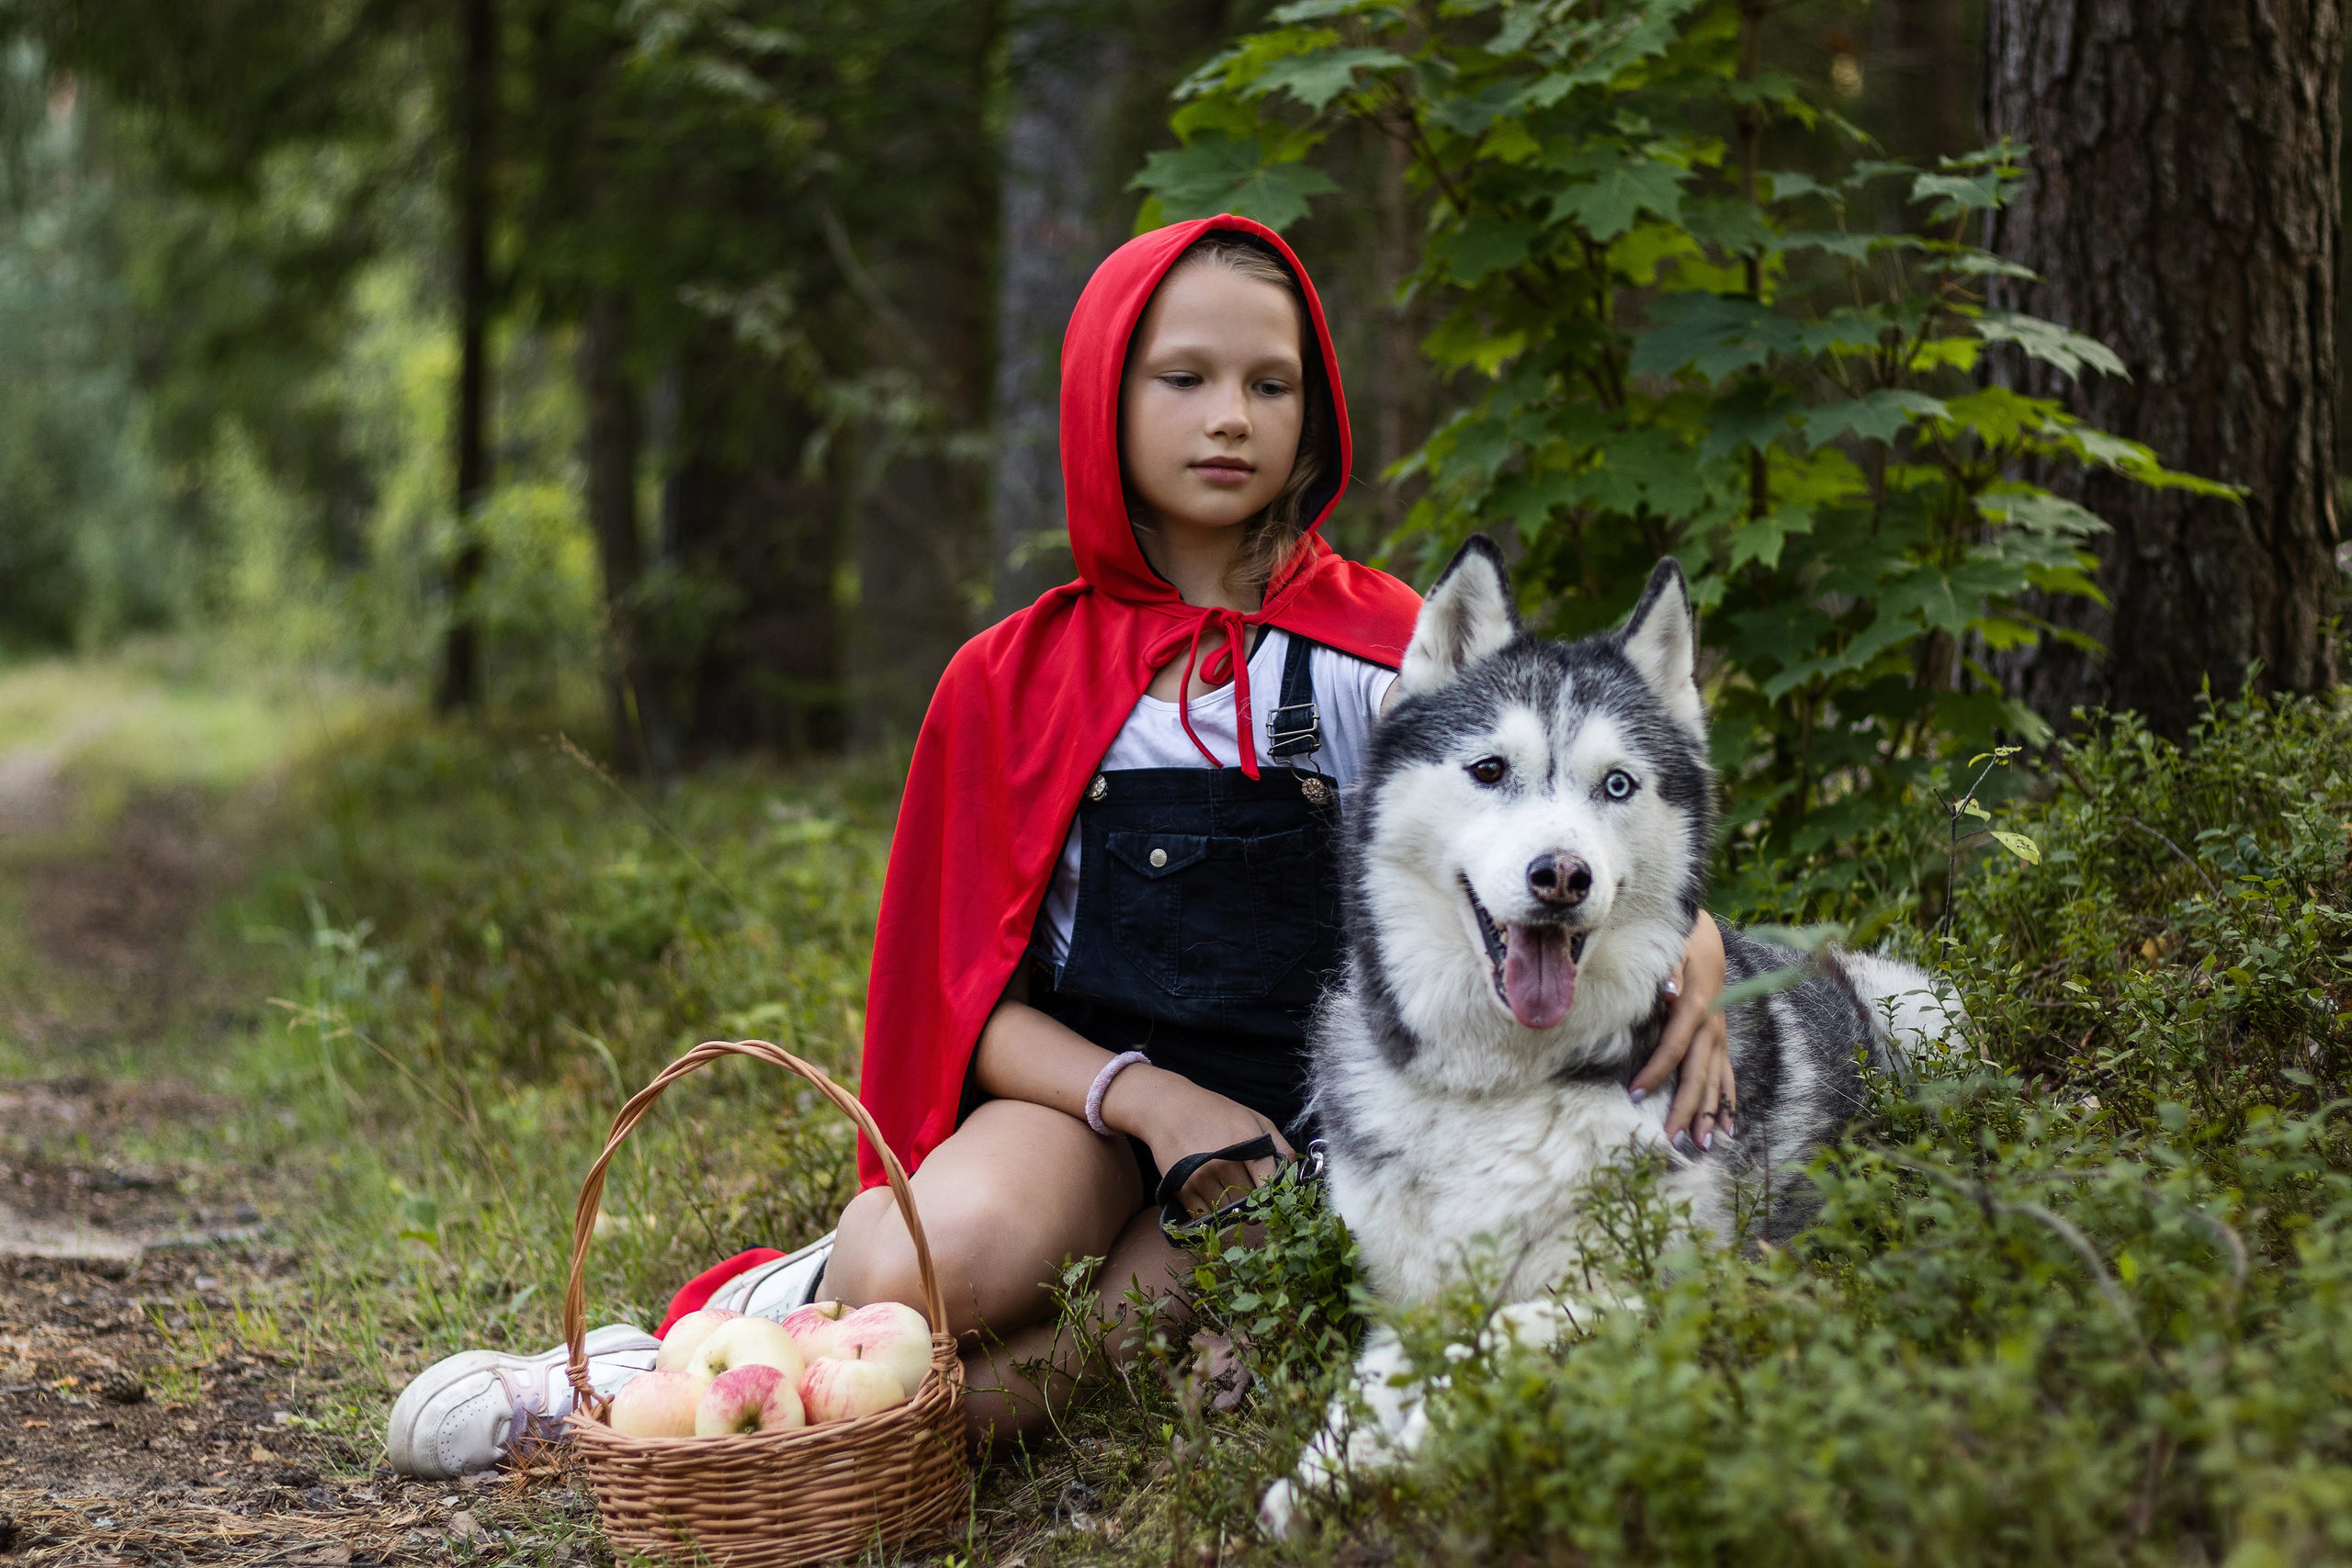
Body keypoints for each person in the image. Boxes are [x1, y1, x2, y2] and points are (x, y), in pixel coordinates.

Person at [385, 216, 1734, 1479]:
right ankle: (691, 1345)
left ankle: (723, 1413)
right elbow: (963, 1007)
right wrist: (1154, 1104)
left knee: (995, 1400)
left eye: (1270, 385)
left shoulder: (1389, 653)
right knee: (935, 1272)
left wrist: (1700, 951)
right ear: (1103, 398)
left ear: (1314, 413)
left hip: (1314, 1141)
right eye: (1184, 378)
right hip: (1085, 1105)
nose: (1230, 416)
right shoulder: (1009, 680)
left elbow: (1558, 824)